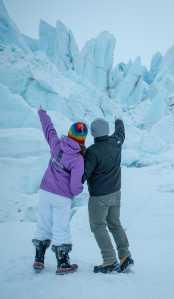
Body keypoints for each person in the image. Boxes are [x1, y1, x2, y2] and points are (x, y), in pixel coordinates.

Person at [32, 107, 88, 275]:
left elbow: (48, 129)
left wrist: (43, 114)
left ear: (70, 133)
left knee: (43, 223)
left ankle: (39, 259)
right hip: (62, 197)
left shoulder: (56, 144)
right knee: (61, 227)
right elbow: (75, 187)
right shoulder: (78, 159)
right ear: (83, 140)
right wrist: (79, 189)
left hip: (45, 192)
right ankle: (62, 263)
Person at [84, 118, 134, 273]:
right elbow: (121, 132)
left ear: (93, 133)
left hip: (99, 197)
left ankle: (109, 260)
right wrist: (119, 120)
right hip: (115, 192)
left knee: (98, 226)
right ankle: (125, 256)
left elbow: (83, 175)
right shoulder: (116, 142)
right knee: (115, 223)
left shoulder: (92, 151)